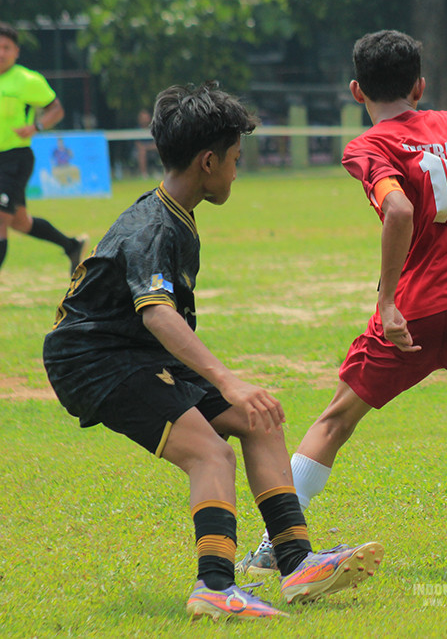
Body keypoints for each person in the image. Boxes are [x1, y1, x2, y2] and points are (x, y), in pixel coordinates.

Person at [42, 82, 383, 620]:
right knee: (210, 452)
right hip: (94, 359)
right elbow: (156, 313)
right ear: (208, 161)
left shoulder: (175, 213)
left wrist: (232, 391)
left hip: (136, 352)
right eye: (235, 159)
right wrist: (227, 378)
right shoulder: (155, 225)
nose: (237, 170)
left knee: (259, 420)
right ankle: (215, 586)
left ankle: (295, 564)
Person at [236, 30, 447, 575]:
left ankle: (278, 544)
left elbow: (398, 211)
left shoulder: (367, 146)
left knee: (338, 418)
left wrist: (387, 302)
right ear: (419, 85)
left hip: (417, 308)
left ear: (356, 91)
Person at [0, 21, 86, 276]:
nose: (1, 52)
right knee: (20, 222)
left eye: (7, 47)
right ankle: (71, 245)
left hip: (15, 158)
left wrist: (37, 126)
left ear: (16, 52)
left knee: (1, 221)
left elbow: (56, 109)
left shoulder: (27, 80)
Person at [134, 108, 159, 178]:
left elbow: (157, 143)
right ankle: (144, 174)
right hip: (139, 152)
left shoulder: (154, 129)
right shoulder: (136, 130)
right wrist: (145, 148)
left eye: (146, 118)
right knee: (142, 151)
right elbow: (138, 145)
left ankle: (163, 172)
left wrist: (147, 147)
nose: (145, 120)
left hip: (152, 150)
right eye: (143, 118)